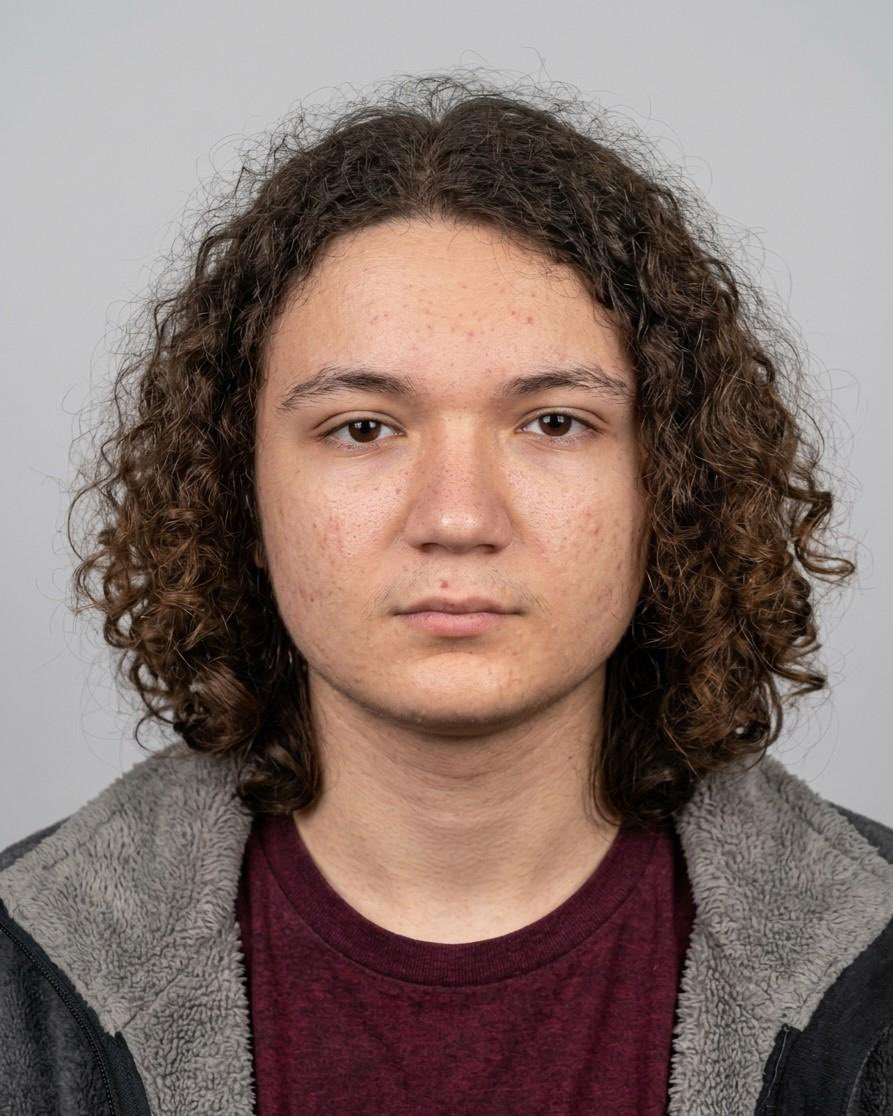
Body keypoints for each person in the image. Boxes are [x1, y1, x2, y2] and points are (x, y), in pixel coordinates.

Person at [1, 73, 890, 1116]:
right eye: (362, 428)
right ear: (238, 489)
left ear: (669, 482)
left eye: (553, 422)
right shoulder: (24, 978)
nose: (458, 517)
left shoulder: (866, 953)